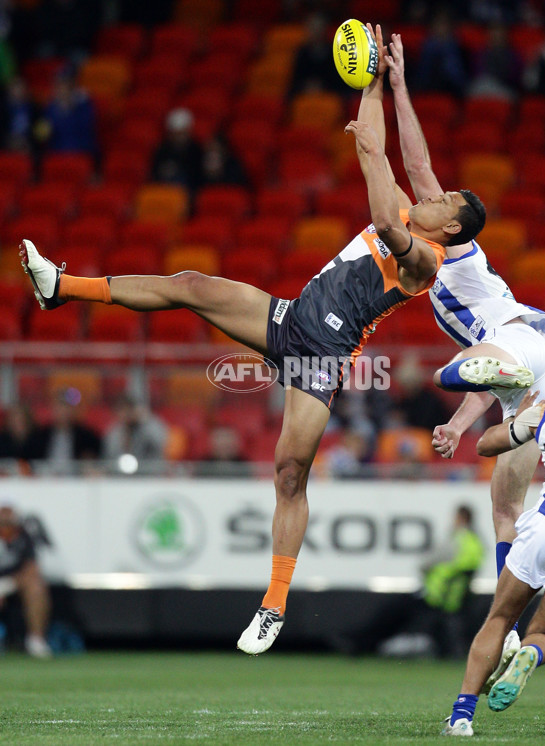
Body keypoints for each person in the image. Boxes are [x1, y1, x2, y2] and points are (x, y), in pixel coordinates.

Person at [19, 24, 489, 656]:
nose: (437, 186)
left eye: (449, 196)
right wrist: (387, 82)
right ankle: (61, 287)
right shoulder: (422, 202)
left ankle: (273, 604)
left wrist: (371, 91)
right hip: (290, 318)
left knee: (289, 472)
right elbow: (402, 154)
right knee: (190, 283)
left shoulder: (426, 259)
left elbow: (378, 179)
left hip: (323, 357)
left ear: (452, 220)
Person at [386, 31, 545, 690]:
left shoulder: (455, 256)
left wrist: (398, 88)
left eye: (439, 203)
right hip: (525, 374)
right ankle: (514, 634)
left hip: (517, 347)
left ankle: (474, 381)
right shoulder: (449, 263)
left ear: (453, 226)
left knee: (455, 371)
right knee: (503, 512)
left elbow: (416, 161)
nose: (427, 198)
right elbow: (488, 368)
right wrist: (459, 428)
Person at [442, 333, 545, 735]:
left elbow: (486, 445)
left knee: (499, 618)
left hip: (543, 526)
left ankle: (461, 716)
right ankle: (529, 653)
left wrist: (517, 419)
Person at [376, 504, 485, 659]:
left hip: (439, 592)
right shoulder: (475, 542)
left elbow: (428, 563)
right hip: (456, 594)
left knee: (406, 612)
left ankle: (399, 647)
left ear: (461, 518)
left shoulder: (457, 539)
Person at [0, 504, 52, 658]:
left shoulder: (23, 536)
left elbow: (32, 568)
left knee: (36, 586)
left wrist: (6, 586)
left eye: (10, 524)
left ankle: (36, 640)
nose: (7, 528)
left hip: (13, 582)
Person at [102, 394, 168, 474]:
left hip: (150, 476)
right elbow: (109, 458)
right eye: (121, 411)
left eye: (128, 410)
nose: (126, 415)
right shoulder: (113, 433)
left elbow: (160, 442)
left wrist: (143, 419)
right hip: (120, 479)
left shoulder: (150, 425)